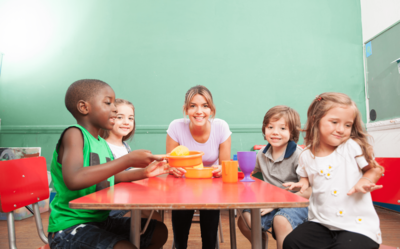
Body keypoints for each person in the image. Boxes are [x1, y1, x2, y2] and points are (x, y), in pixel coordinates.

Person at [47, 79, 168, 249]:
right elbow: (74, 179)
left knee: (158, 231)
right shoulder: (74, 134)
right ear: (84, 107)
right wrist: (127, 159)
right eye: (108, 103)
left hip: (100, 220)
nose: (114, 108)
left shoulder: (101, 143)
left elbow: (110, 176)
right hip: (70, 227)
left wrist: (145, 172)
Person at [283, 92, 383, 249]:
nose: (341, 129)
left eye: (347, 125)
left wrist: (365, 181)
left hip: (357, 225)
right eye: (334, 122)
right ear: (316, 119)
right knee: (291, 242)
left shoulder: (351, 147)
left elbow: (374, 170)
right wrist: (302, 183)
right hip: (322, 223)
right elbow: (306, 177)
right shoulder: (306, 155)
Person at [166, 85, 231, 249]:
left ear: (212, 109)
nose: (199, 111)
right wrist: (172, 169)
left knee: (209, 231)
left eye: (205, 106)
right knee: (181, 214)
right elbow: (170, 162)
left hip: (211, 186)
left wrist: (221, 170)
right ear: (186, 109)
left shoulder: (221, 127)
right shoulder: (175, 127)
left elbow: (225, 166)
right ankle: (179, 245)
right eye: (193, 106)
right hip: (182, 185)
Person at [237, 105, 311, 249]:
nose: (275, 132)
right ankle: (259, 242)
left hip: (296, 203)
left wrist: (277, 203)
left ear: (292, 132)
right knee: (244, 219)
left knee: (281, 220)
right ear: (264, 129)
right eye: (270, 127)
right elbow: (248, 171)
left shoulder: (299, 155)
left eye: (282, 128)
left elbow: (308, 190)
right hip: (270, 203)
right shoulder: (262, 154)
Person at [100, 98, 162, 221]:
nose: (126, 122)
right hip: (113, 206)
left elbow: (130, 170)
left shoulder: (125, 146)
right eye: (120, 117)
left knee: (155, 217)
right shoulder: (102, 146)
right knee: (150, 219)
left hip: (129, 198)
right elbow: (107, 178)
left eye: (130, 118)